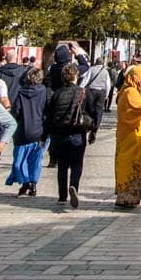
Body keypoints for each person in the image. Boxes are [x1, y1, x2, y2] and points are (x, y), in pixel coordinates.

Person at [43, 62, 87, 208]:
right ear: (76, 76)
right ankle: (74, 186)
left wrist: (44, 136)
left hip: (59, 134)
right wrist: (92, 128)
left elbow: (49, 117)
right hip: (77, 134)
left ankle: (62, 196)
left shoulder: (57, 94)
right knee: (77, 164)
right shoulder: (82, 93)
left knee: (62, 165)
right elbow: (90, 111)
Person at [5, 67, 49, 197]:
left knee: (20, 160)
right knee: (35, 160)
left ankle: (25, 182)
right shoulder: (44, 92)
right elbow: (47, 112)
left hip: (23, 132)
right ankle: (33, 184)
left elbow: (16, 112)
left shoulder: (21, 92)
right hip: (39, 131)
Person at [114, 66, 141, 208]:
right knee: (128, 165)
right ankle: (126, 197)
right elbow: (139, 110)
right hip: (130, 135)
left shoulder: (130, 91)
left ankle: (130, 196)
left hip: (133, 136)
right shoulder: (130, 92)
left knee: (132, 165)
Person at [79, 58, 111, 143]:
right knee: (99, 111)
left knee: (90, 109)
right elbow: (108, 84)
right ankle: (95, 129)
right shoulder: (105, 71)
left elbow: (85, 80)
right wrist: (107, 94)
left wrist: (80, 89)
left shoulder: (91, 69)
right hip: (101, 92)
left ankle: (89, 125)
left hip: (91, 91)